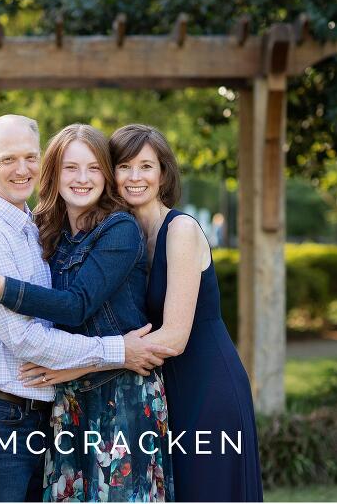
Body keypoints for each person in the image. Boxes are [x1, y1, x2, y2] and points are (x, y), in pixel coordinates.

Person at [0, 115, 175, 502]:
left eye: (93, 168)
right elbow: (26, 335)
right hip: (51, 403)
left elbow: (74, 307)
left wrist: (0, 285)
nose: (82, 178)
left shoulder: (116, 230)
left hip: (115, 396)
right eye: (70, 167)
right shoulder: (39, 229)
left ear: (105, 175)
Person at [108, 124, 264, 502]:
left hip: (207, 385)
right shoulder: (123, 233)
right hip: (164, 392)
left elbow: (175, 338)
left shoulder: (180, 230)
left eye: (145, 166)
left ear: (163, 173)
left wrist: (84, 361)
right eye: (124, 166)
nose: (134, 177)